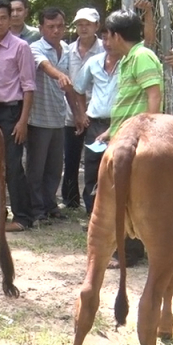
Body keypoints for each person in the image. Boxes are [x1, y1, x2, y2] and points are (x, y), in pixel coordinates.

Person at [97, 9, 164, 268]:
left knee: (130, 196)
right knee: (121, 195)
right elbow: (131, 102)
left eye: (107, 35)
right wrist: (111, 131)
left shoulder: (142, 56)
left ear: (116, 35)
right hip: (124, 137)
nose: (106, 40)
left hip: (138, 143)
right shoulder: (129, 58)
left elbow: (154, 96)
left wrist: (148, 134)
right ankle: (127, 249)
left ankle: (131, 253)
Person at [0, 0, 36, 232]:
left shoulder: (20, 47)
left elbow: (29, 86)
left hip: (11, 112)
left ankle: (23, 217)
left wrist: (23, 121)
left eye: (4, 17)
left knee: (11, 165)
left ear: (10, 19)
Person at [28, 7, 83, 223]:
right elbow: (46, 67)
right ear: (41, 28)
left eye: (60, 26)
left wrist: (77, 113)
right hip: (38, 118)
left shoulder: (67, 50)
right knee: (36, 168)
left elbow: (68, 87)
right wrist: (61, 75)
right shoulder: (34, 48)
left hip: (58, 117)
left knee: (54, 168)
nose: (56, 30)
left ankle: (50, 204)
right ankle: (36, 210)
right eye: (50, 26)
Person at [73, 33, 121, 214]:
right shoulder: (94, 62)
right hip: (94, 124)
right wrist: (81, 112)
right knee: (93, 166)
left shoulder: (128, 63)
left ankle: (115, 212)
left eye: (112, 39)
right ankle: (92, 211)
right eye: (105, 39)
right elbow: (78, 88)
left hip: (120, 124)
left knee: (117, 167)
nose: (108, 44)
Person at [61, 8, 103, 209]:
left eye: (88, 24)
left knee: (95, 160)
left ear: (97, 26)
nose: (83, 28)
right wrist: (78, 112)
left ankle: (93, 203)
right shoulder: (68, 50)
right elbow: (67, 83)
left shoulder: (106, 49)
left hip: (97, 113)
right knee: (71, 157)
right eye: (79, 24)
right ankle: (70, 200)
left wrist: (86, 113)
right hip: (71, 112)